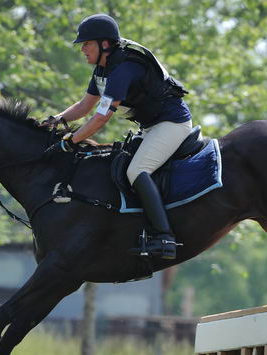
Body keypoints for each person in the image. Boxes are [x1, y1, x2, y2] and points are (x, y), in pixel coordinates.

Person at [43, 13, 193, 259]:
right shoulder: (103, 69)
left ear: (105, 44)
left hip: (172, 124)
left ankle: (165, 237)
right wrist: (56, 119)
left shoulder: (122, 70)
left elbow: (101, 118)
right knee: (118, 166)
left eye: (86, 43)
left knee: (137, 170)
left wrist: (70, 142)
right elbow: (84, 106)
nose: (82, 49)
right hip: (151, 126)